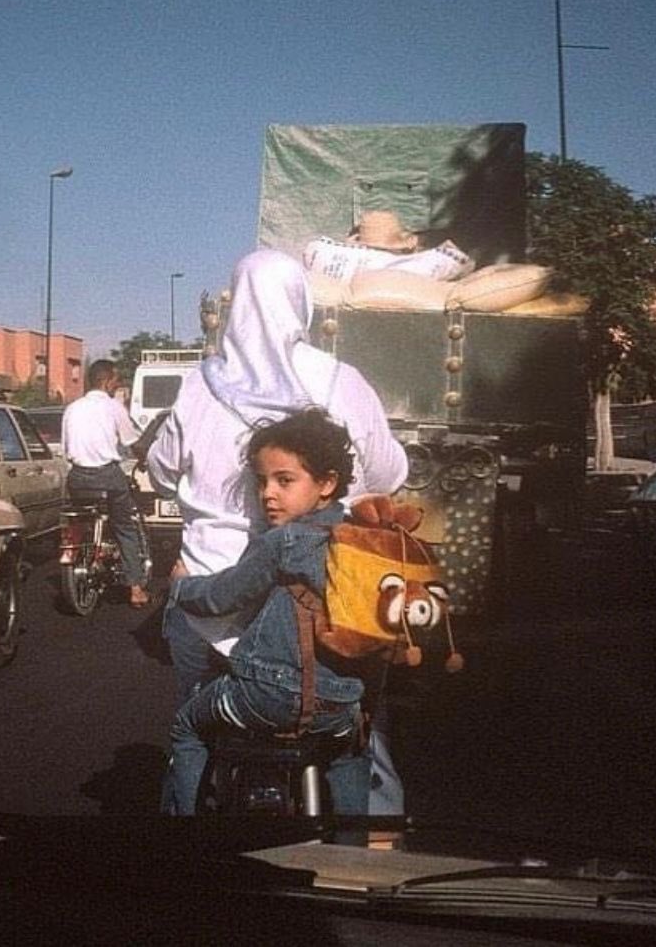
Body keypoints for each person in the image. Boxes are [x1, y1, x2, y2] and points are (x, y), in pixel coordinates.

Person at [147, 248, 409, 809]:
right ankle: (369, 850)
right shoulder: (341, 380)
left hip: (207, 600)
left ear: (234, 302)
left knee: (193, 722)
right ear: (301, 305)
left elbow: (161, 470)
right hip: (320, 612)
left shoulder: (199, 384)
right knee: (361, 728)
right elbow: (386, 474)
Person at [166, 409, 371, 815]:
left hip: (265, 693)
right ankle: (353, 855)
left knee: (186, 727)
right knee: (352, 755)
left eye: (285, 480)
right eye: (261, 481)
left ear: (327, 483)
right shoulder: (361, 542)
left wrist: (180, 587)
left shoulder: (287, 541)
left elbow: (223, 596)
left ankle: (179, 837)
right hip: (339, 707)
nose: (268, 493)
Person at [62, 359, 150, 607]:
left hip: (78, 478)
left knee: (78, 519)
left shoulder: (72, 408)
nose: (117, 384)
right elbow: (133, 441)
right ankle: (135, 588)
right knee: (125, 527)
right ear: (108, 380)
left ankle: (81, 546)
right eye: (117, 380)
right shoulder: (113, 408)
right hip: (107, 476)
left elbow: (68, 448)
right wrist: (143, 459)